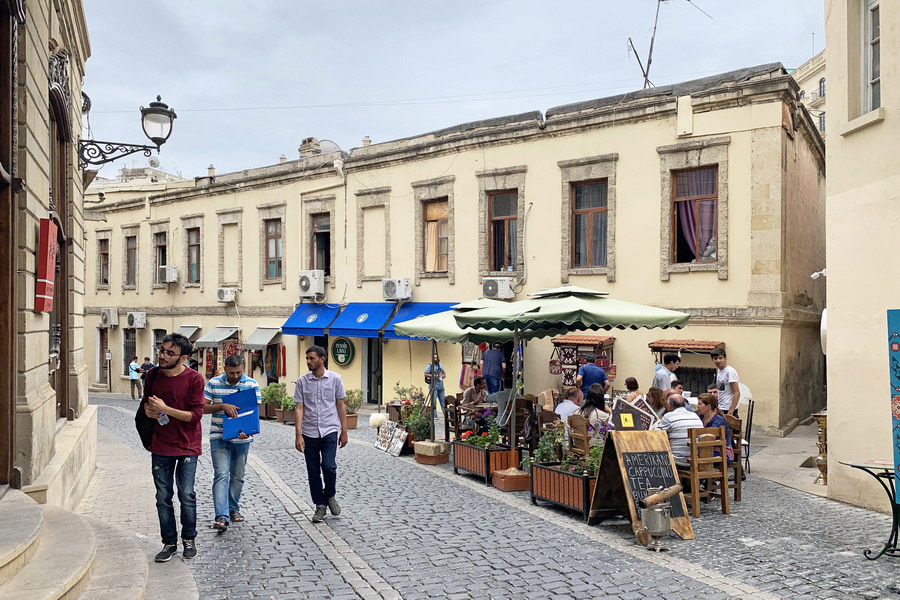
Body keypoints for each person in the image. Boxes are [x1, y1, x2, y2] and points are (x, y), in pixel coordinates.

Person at [143, 333, 205, 562]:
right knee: (163, 496)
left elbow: (195, 416)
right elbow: (147, 404)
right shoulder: (152, 375)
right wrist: (150, 411)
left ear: (183, 358)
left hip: (188, 445)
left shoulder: (195, 379)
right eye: (162, 350)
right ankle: (169, 542)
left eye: (170, 353)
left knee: (186, 494)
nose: (163, 356)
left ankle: (189, 538)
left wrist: (167, 409)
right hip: (161, 444)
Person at [203, 354, 261, 532]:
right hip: (219, 436)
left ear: (243, 368)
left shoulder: (252, 384)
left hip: (242, 439)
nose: (235, 376)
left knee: (238, 476)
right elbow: (202, 408)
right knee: (221, 474)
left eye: (238, 372)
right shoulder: (213, 383)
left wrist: (248, 431)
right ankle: (221, 516)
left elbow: (253, 412)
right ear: (224, 369)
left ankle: (233, 508)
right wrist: (222, 406)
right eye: (231, 373)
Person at [294, 345, 347, 523]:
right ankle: (320, 505)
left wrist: (344, 431)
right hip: (309, 432)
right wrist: (298, 434)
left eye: (312, 358)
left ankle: (330, 495)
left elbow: (341, 405)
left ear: (322, 359)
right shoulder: (302, 381)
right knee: (313, 471)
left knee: (329, 466)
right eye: (307, 358)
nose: (308, 361)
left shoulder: (335, 379)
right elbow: (299, 408)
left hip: (330, 429)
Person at [652, 394, 702, 467]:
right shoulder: (695, 415)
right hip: (696, 460)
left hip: (678, 461)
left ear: (670, 405)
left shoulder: (669, 416)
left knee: (652, 457)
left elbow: (655, 434)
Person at [696, 393, 733, 463]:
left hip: (722, 452)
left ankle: (704, 473)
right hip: (707, 448)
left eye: (700, 404)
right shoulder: (701, 417)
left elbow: (709, 437)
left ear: (708, 406)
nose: (697, 406)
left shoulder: (719, 420)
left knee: (697, 457)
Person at [711, 348, 741, 417]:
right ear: (712, 360)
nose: (718, 361)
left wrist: (731, 412)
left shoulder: (730, 371)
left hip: (728, 409)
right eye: (715, 358)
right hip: (721, 407)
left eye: (720, 358)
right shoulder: (719, 371)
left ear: (725, 358)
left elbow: (737, 392)